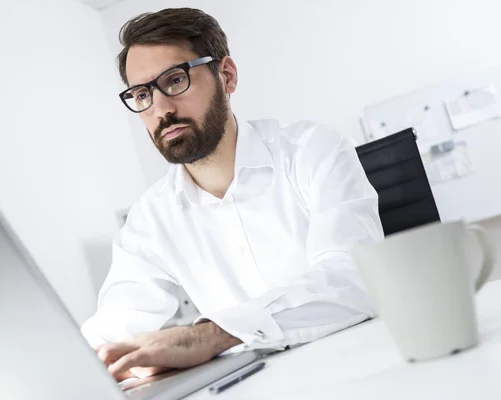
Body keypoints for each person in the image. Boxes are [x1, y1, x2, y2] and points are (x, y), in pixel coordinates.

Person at [82, 7, 383, 380]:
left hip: (364, 374)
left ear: (226, 76)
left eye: (175, 80)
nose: (160, 109)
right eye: (142, 94)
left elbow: (353, 278)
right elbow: (115, 323)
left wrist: (210, 336)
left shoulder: (314, 151)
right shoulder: (150, 219)